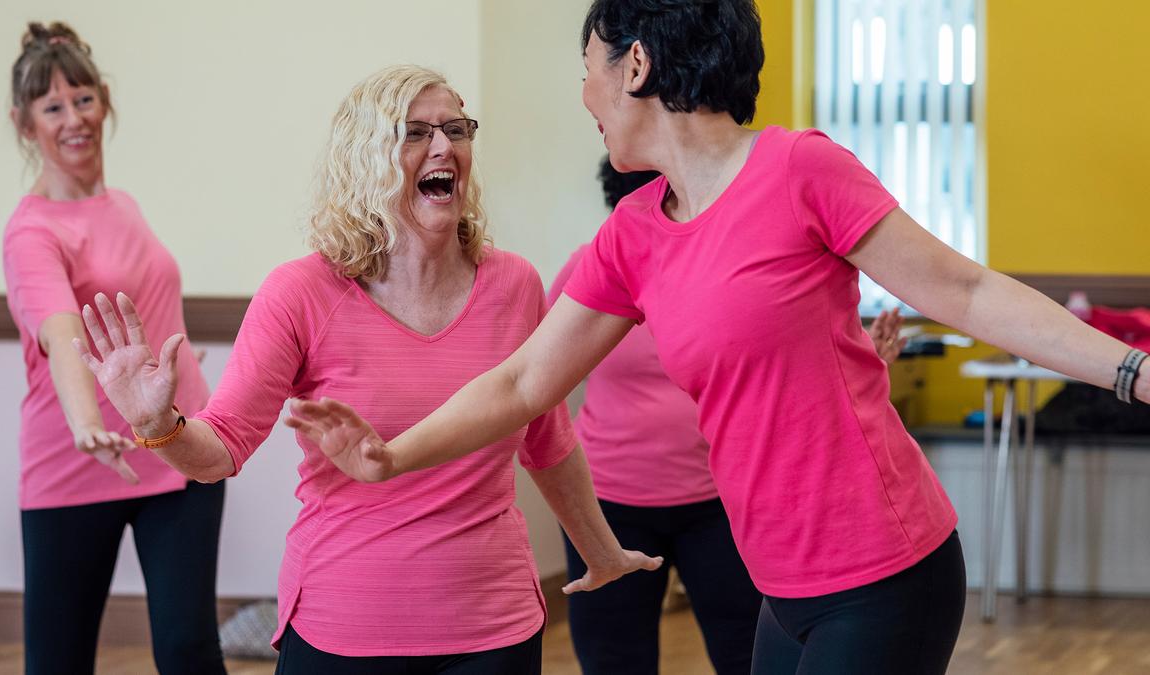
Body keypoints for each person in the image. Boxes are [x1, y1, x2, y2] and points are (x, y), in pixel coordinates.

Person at [282, 2, 1150, 674]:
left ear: (637, 64)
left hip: (886, 568)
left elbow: (965, 289)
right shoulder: (633, 232)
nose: (582, 96)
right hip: (782, 583)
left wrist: (1133, 369)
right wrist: (391, 456)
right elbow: (520, 385)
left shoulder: (799, 169)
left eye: (586, 70)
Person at [75, 65, 659, 674]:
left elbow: (548, 440)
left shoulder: (513, 284)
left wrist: (602, 553)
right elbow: (220, 449)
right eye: (415, 133)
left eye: (455, 129)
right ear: (366, 159)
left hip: (494, 625)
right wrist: (156, 419)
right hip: (343, 627)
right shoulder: (300, 292)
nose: (444, 147)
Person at [549, 157, 906, 675]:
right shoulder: (591, 269)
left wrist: (861, 354)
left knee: (747, 654)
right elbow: (532, 377)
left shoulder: (724, 276)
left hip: (719, 501)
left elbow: (791, 364)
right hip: (609, 501)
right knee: (613, 660)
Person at [1, 22, 224, 675]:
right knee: (58, 661)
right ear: (24, 123)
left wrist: (173, 373)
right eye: (52, 106)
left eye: (84, 98)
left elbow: (143, 303)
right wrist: (88, 422)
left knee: (189, 649)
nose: (74, 119)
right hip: (75, 466)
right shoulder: (31, 232)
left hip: (174, 448)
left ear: (106, 101)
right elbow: (61, 328)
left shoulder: (121, 203)